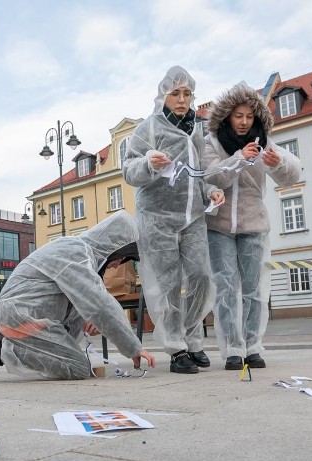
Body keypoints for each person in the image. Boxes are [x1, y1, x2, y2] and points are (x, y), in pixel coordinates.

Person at [121, 65, 223, 374]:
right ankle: (176, 348)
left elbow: (199, 171)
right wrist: (148, 163)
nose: (181, 99)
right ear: (163, 95)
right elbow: (128, 170)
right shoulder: (148, 129)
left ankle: (192, 338)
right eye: (175, 93)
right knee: (166, 285)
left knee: (202, 277)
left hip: (192, 216)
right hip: (158, 218)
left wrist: (211, 190)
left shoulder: (197, 129)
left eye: (187, 94)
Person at [0, 211, 156, 383]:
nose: (117, 265)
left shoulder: (81, 254)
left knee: (78, 358)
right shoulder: (75, 252)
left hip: (29, 312)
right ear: (113, 248)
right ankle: (4, 348)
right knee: (77, 367)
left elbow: (83, 299)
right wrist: (133, 346)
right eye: (121, 258)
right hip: (20, 313)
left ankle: (13, 347)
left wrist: (89, 318)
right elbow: (99, 303)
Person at [202, 81, 301, 370]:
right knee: (225, 288)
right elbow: (210, 176)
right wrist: (238, 158)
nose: (244, 122)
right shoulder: (213, 143)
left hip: (254, 224)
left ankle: (253, 347)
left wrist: (277, 161)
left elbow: (291, 176)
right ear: (227, 117)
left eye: (249, 116)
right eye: (238, 116)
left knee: (255, 289)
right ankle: (233, 350)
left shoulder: (264, 142)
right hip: (218, 226)